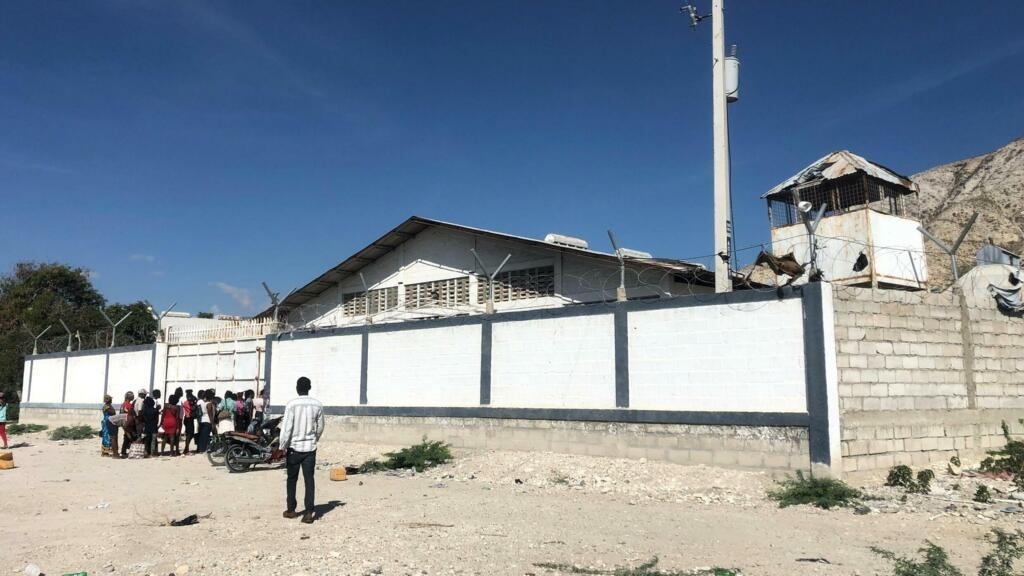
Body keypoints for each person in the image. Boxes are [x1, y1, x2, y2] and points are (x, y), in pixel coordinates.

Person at [280, 376, 325, 524]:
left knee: (292, 479)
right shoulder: (317, 405)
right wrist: (314, 438)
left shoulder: (292, 405)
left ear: (297, 388)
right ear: (309, 388)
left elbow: (287, 428)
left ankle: (291, 510)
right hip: (310, 448)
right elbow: (320, 426)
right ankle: (309, 512)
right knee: (309, 480)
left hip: (294, 448)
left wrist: (282, 446)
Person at [120, 391, 136, 458]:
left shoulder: (123, 404)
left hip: (123, 422)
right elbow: (131, 414)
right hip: (128, 423)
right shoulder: (128, 405)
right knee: (129, 437)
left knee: (127, 437)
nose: (133, 397)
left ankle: (123, 451)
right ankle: (125, 452)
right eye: (132, 396)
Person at [182, 389, 197, 455]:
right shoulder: (190, 402)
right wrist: (195, 404)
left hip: (187, 418)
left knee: (189, 434)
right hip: (189, 418)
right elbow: (192, 409)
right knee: (190, 434)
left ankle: (186, 448)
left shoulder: (185, 402)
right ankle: (186, 449)